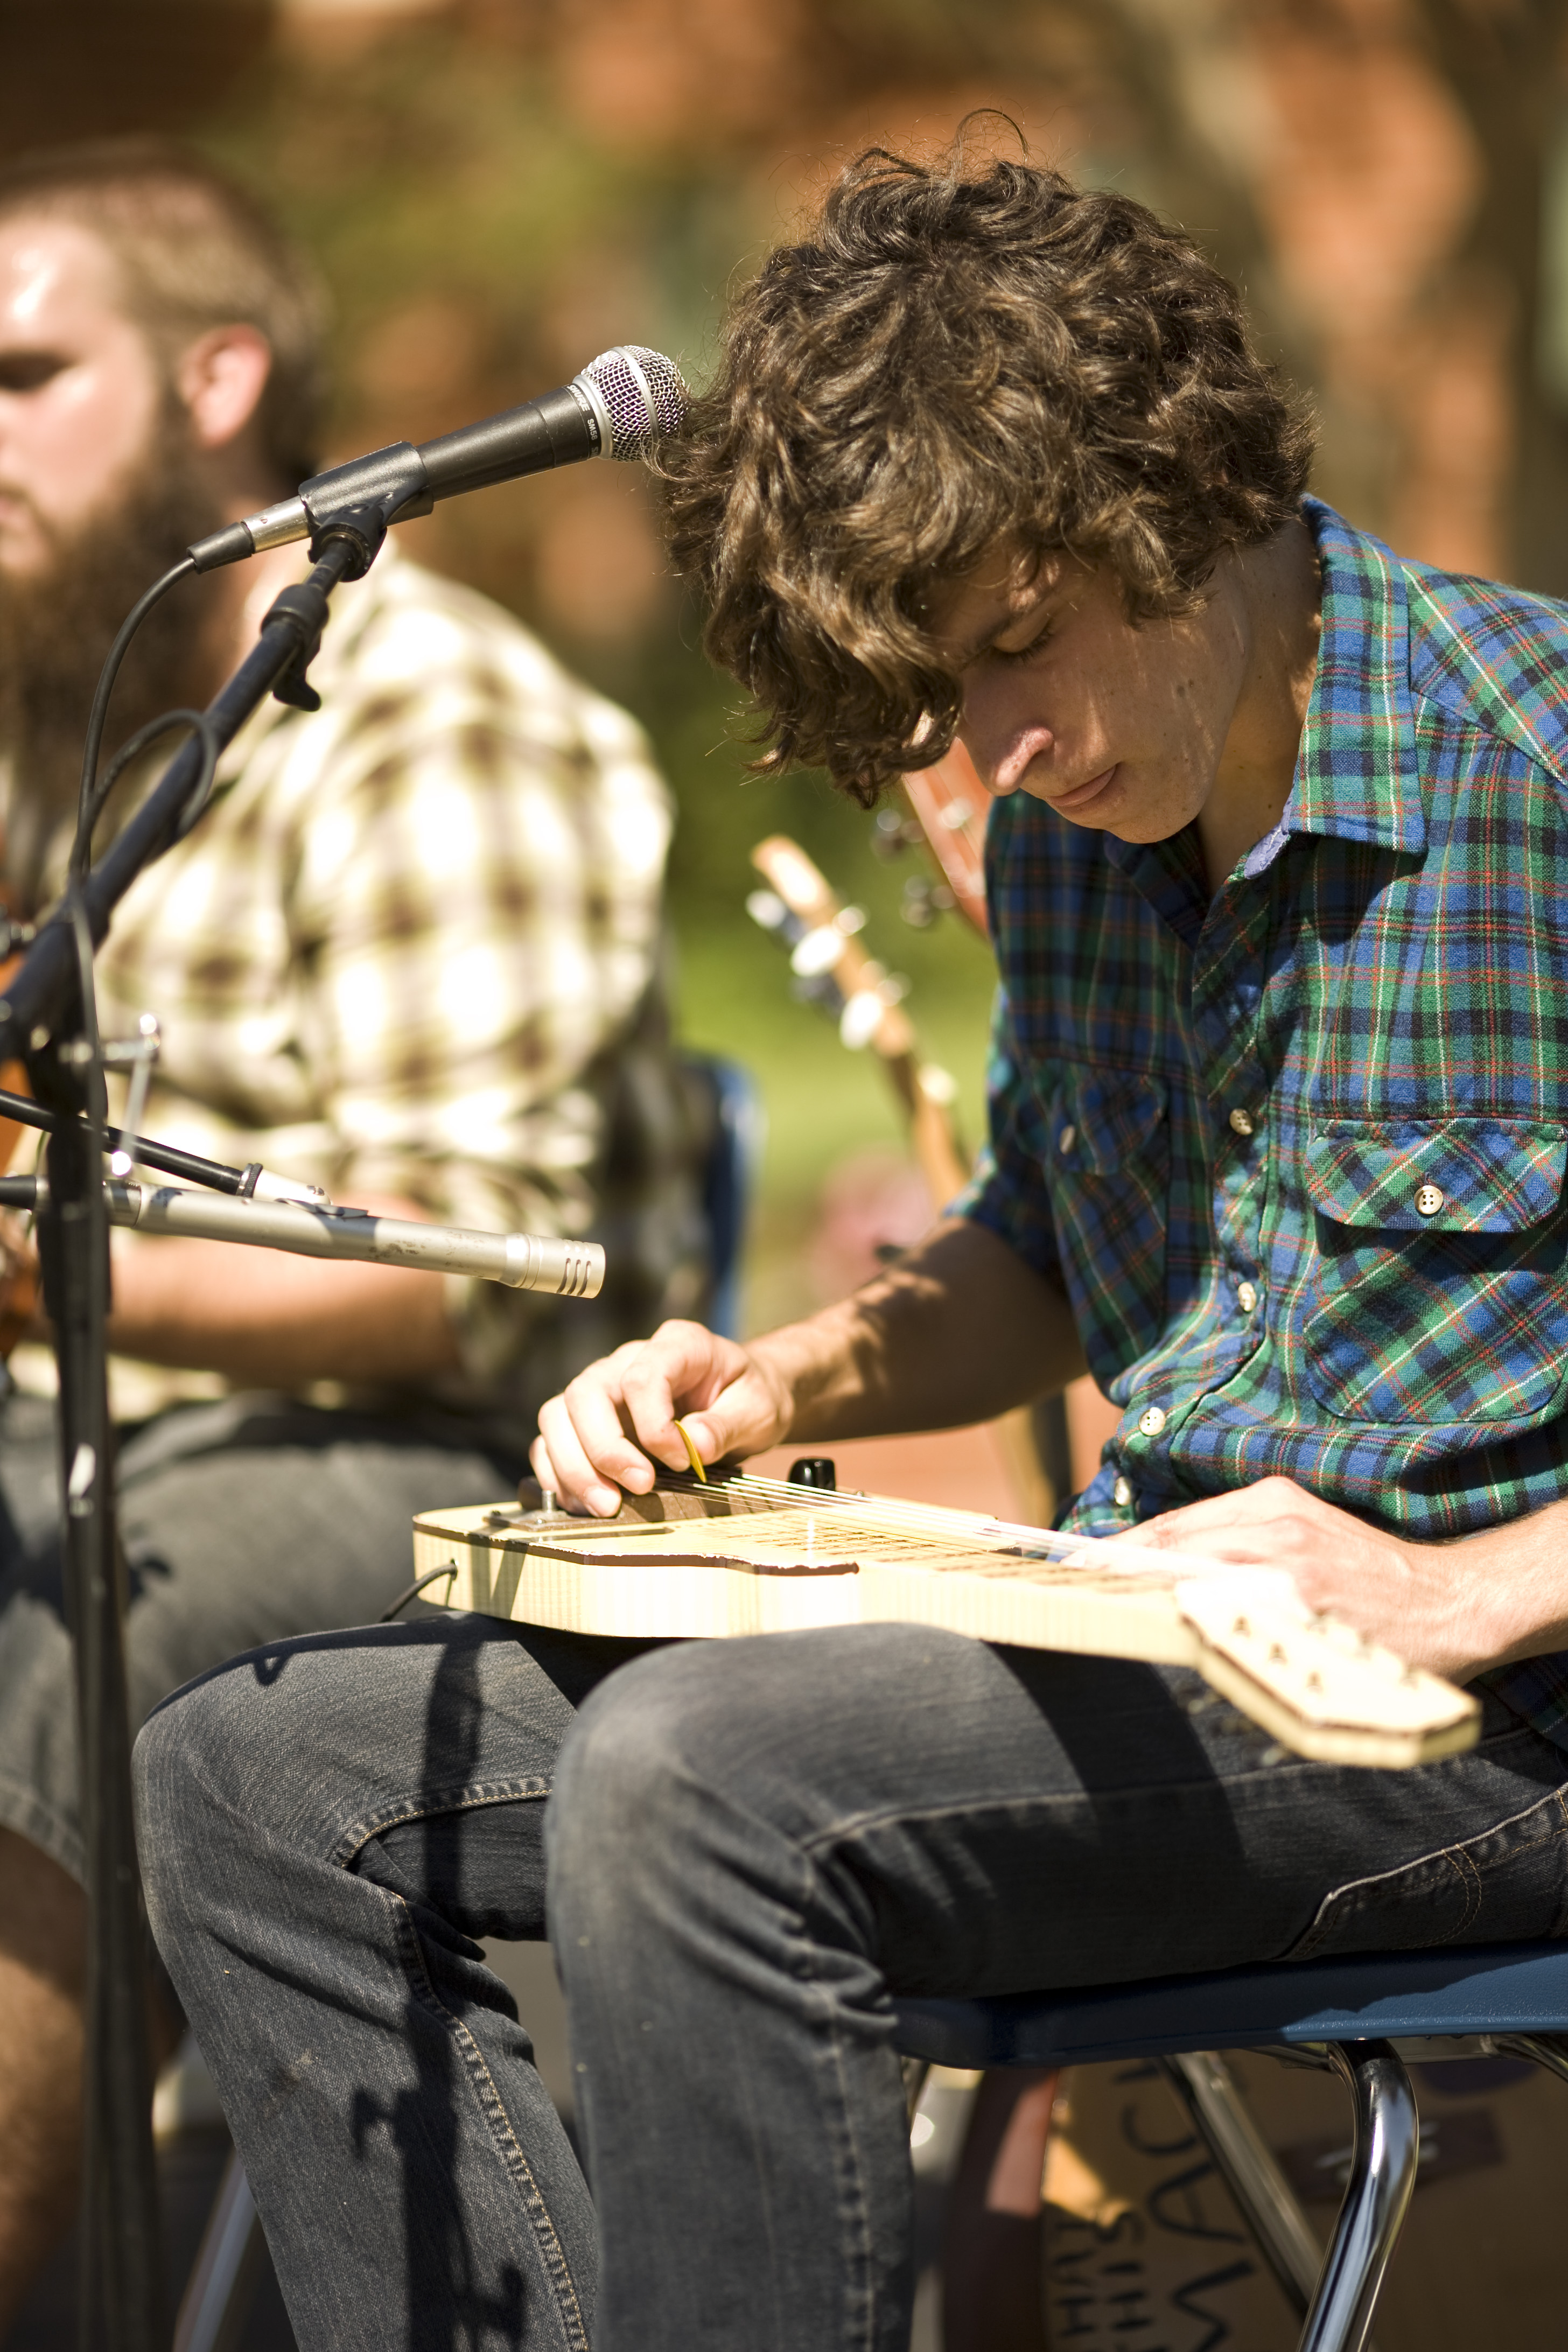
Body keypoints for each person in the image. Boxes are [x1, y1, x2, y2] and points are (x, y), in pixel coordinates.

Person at [138, 145, 1568, 2351]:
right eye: (939, 693)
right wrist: (773, 1380)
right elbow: (1041, 1245)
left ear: (1168, 492)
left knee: (699, 1791)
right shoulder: (1093, 805)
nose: (991, 755)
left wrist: (1461, 1587)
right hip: (1140, 1656)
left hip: (1475, 1731)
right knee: (252, 1775)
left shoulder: (1534, 770)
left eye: (1016, 649)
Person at [0, 139, 704, 2327]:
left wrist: (36, 1266)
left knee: (76, 1605)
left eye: (25, 374)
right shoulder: (77, 711)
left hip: (460, 1456)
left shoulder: (436, 720)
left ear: (219, 381)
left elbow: (462, 1278)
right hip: (98, 1395)